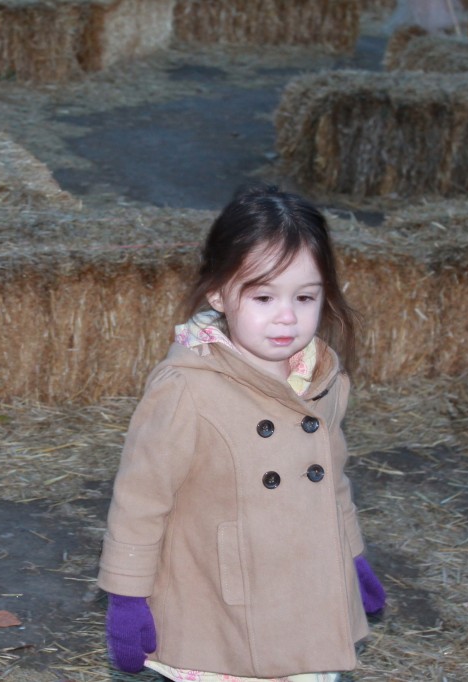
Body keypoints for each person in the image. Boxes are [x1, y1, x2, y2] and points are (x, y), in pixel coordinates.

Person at [97, 185, 386, 682]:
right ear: (219, 293)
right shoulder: (187, 388)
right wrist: (127, 595)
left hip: (308, 598)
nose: (286, 317)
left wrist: (351, 555)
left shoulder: (324, 381)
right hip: (221, 606)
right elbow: (140, 499)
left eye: (305, 297)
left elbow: (332, 483)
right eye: (263, 296)